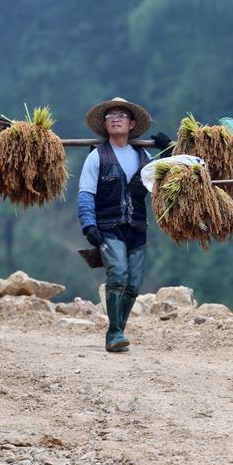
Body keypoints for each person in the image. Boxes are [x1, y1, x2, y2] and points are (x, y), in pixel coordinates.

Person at [77, 97, 171, 352]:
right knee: (117, 273)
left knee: (134, 284)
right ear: (105, 125)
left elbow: (170, 178)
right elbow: (85, 192)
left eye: (121, 115)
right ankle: (115, 332)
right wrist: (88, 224)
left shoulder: (145, 157)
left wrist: (169, 152)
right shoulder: (97, 156)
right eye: (110, 116)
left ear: (131, 124)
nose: (116, 119)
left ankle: (117, 330)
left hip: (137, 227)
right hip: (109, 226)